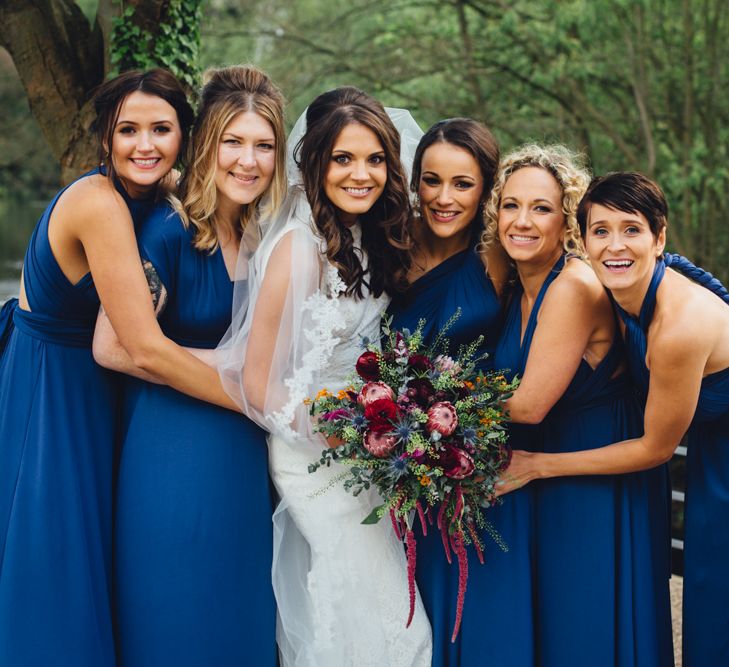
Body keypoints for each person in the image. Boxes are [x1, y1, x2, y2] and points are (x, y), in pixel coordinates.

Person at [0, 68, 235, 667]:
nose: (145, 145)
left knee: (102, 551)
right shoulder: (99, 204)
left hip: (102, 392)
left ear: (186, 135)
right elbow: (141, 347)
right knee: (55, 550)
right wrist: (257, 396)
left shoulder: (161, 195)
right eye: (127, 130)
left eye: (161, 129)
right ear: (105, 138)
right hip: (52, 387)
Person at [216, 86, 432, 666]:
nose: (361, 174)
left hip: (366, 452)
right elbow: (256, 381)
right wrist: (338, 429)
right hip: (313, 456)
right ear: (315, 164)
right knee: (382, 618)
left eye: (375, 159)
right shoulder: (297, 249)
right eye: (343, 159)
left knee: (379, 611)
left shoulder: (370, 237)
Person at [93, 65, 287, 666]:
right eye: (232, 141)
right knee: (178, 618)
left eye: (263, 145)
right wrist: (247, 386)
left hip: (247, 461)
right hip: (174, 453)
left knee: (243, 618)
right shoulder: (169, 230)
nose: (247, 161)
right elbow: (114, 345)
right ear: (207, 146)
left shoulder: (267, 236)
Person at [498, 171, 729, 666]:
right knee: (710, 601)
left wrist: (539, 465)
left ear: (659, 237)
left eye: (632, 229)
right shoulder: (617, 292)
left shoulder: (678, 327)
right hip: (714, 447)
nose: (615, 245)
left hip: (720, 455)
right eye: (601, 231)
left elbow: (656, 449)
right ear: (581, 239)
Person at [387, 117, 511, 665]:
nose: (443, 198)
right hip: (391, 452)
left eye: (462, 184)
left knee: (473, 611)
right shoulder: (389, 242)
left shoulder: (502, 254)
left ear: (486, 187)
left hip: (477, 462)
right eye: (431, 181)